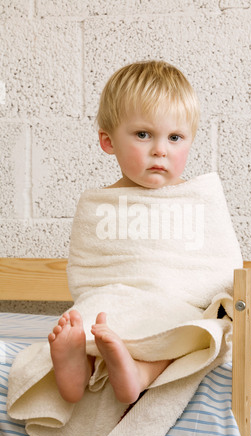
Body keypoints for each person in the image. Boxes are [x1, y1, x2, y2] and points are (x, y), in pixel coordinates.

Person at [48, 60, 200, 405]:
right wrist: (106, 299)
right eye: (143, 134)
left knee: (201, 331)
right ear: (108, 140)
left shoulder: (196, 201)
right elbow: (90, 274)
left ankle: (134, 372)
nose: (160, 149)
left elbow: (212, 266)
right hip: (112, 307)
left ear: (190, 140)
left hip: (173, 310)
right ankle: (77, 367)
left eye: (175, 137)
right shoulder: (99, 206)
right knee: (92, 320)